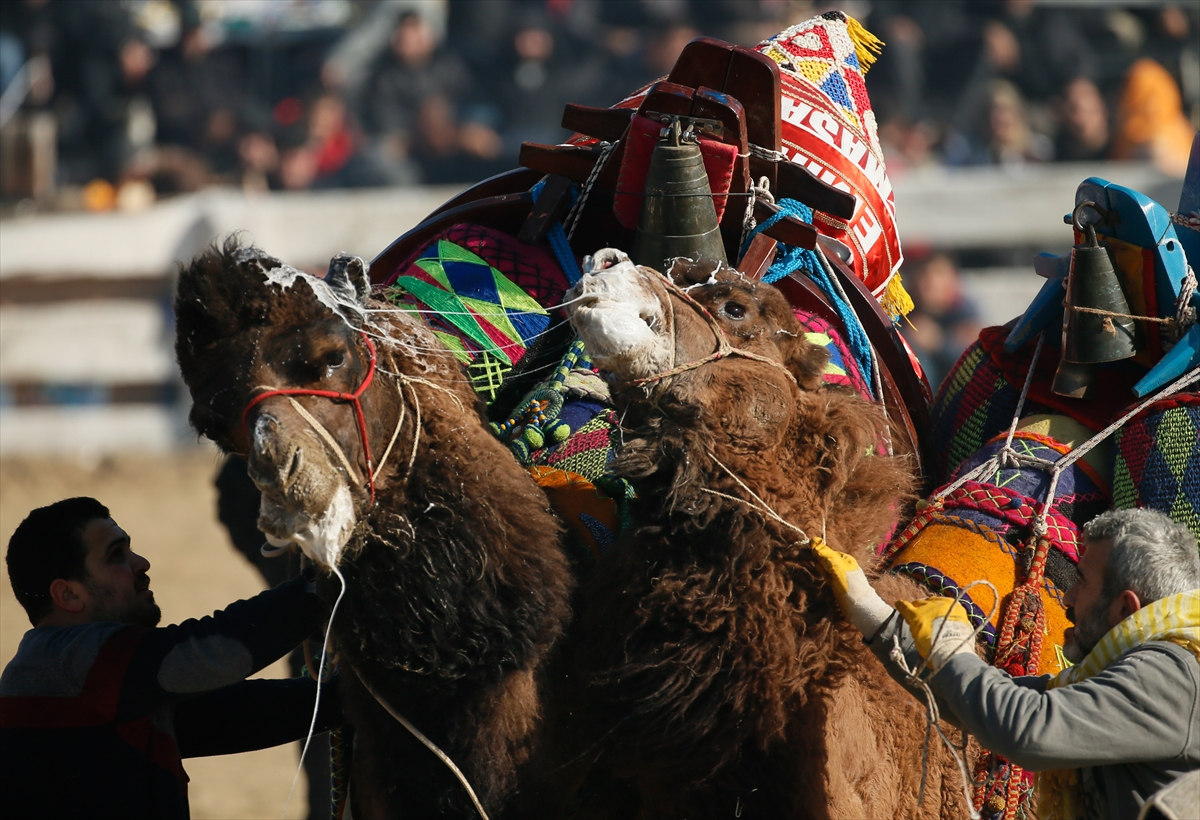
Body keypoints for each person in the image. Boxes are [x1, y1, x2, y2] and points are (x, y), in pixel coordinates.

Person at [811, 507, 1199, 820]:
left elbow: (1027, 727)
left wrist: (951, 647)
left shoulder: (1172, 674)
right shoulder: (1142, 666)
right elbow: (979, 698)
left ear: (1123, 608)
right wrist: (870, 612)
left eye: (1082, 582)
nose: (1068, 597)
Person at [0, 497, 340, 819]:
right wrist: (329, 583)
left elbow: (236, 715)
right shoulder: (66, 662)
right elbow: (215, 650)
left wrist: (350, 698)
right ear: (69, 594)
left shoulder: (88, 680)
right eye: (116, 555)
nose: (141, 563)